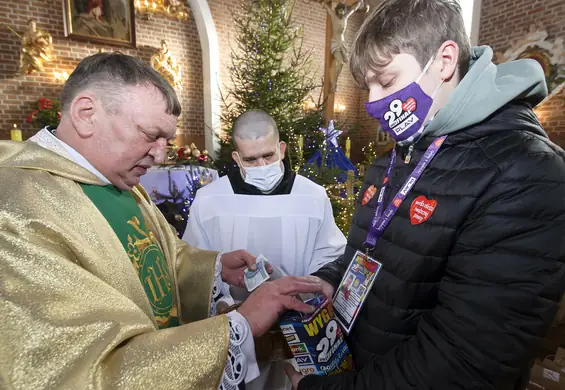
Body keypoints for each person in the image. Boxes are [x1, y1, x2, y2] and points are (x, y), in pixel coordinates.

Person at [0, 52, 325, 390]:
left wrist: (212, 268)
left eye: (166, 141)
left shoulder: (113, 180)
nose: (160, 155)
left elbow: (158, 257)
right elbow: (73, 371)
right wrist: (238, 325)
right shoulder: (17, 207)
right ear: (86, 115)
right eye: (150, 135)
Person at [285, 0, 565, 389]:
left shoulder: (526, 173)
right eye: (367, 85)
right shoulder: (395, 158)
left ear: (445, 61)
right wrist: (329, 281)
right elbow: (378, 255)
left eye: (385, 80)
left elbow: (463, 364)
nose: (370, 102)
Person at [183, 109, 347, 390]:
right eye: (251, 159)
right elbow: (194, 263)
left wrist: (309, 292)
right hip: (236, 324)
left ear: (281, 149)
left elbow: (330, 255)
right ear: (236, 158)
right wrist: (223, 304)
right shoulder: (210, 200)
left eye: (268, 156)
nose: (261, 164)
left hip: (298, 326)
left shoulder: (312, 196)